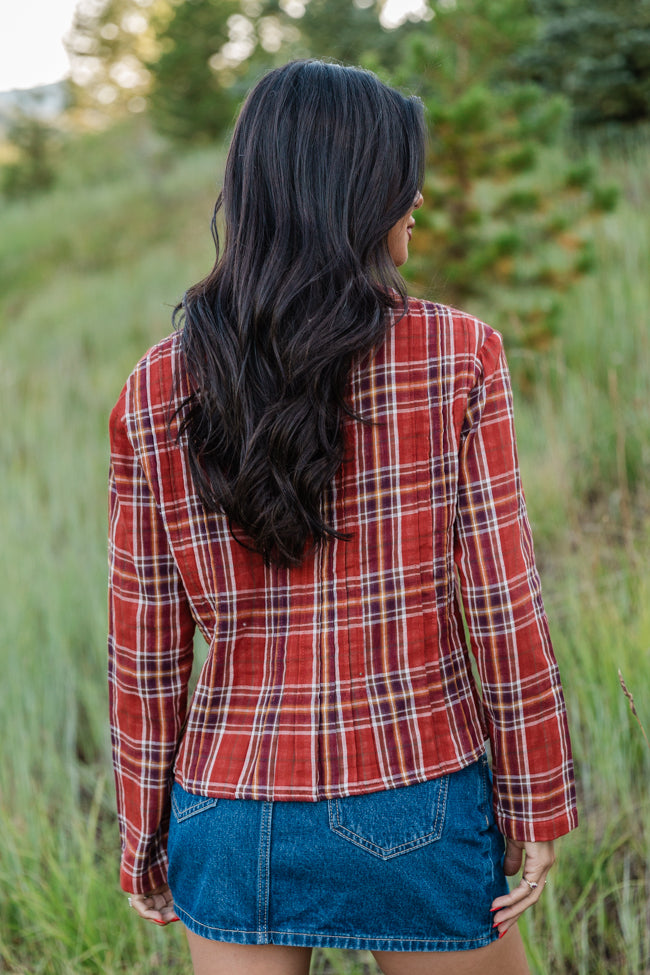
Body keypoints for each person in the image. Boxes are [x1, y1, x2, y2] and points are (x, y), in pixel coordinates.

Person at [108, 59, 578, 975]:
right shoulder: (457, 355)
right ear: (359, 192)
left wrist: (144, 835)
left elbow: (145, 644)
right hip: (415, 789)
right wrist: (536, 801)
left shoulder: (155, 386)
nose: (420, 197)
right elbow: (502, 602)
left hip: (228, 809)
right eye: (404, 176)